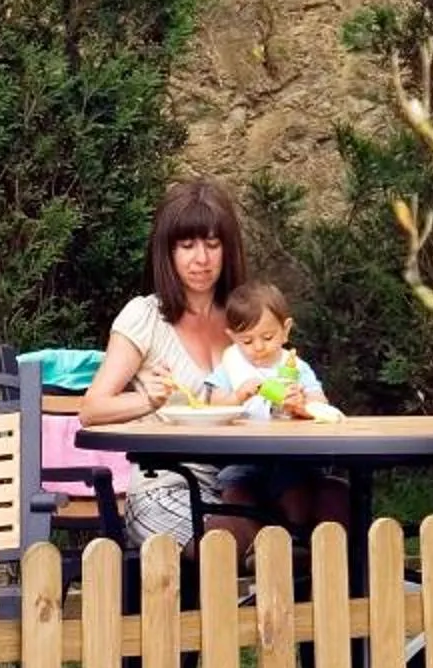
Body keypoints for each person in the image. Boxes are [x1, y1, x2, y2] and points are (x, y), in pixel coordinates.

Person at [79, 185, 345, 555]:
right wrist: (146, 400)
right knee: (232, 536)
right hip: (170, 485)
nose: (201, 259)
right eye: (187, 246)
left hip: (254, 479)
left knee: (337, 502)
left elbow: (287, 390)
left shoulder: (246, 318)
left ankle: (338, 603)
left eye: (212, 243)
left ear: (228, 248)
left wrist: (295, 406)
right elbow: (92, 410)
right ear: (167, 251)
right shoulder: (145, 316)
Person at [214, 281, 342, 419]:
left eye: (268, 337)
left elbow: (321, 403)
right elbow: (214, 406)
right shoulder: (231, 365)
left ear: (285, 330)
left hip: (286, 439)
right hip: (242, 439)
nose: (259, 347)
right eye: (247, 341)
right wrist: (238, 396)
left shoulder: (298, 367)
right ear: (233, 337)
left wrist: (302, 407)